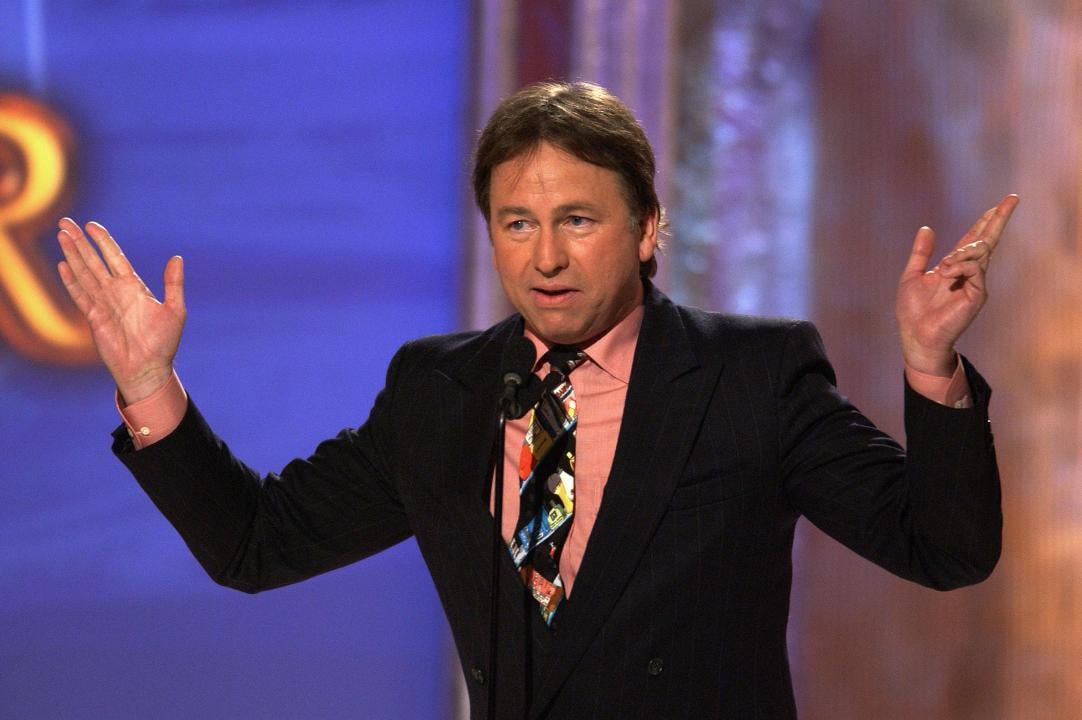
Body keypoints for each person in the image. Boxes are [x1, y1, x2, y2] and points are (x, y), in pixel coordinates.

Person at [55, 81, 1015, 719]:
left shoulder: (751, 377)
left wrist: (930, 366)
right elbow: (254, 545)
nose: (544, 257)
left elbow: (944, 547)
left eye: (577, 221)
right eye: (517, 223)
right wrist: (148, 384)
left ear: (647, 229)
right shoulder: (440, 390)